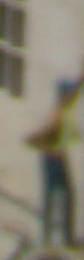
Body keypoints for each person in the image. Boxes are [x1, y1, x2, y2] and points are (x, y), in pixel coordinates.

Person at [26, 60, 84, 247]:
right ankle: (49, 239)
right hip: (52, 160)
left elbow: (77, 88)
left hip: (60, 157)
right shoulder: (56, 114)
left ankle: (59, 238)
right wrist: (53, 151)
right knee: (54, 198)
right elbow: (33, 139)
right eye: (68, 94)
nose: (71, 96)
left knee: (65, 197)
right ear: (62, 95)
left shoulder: (64, 106)